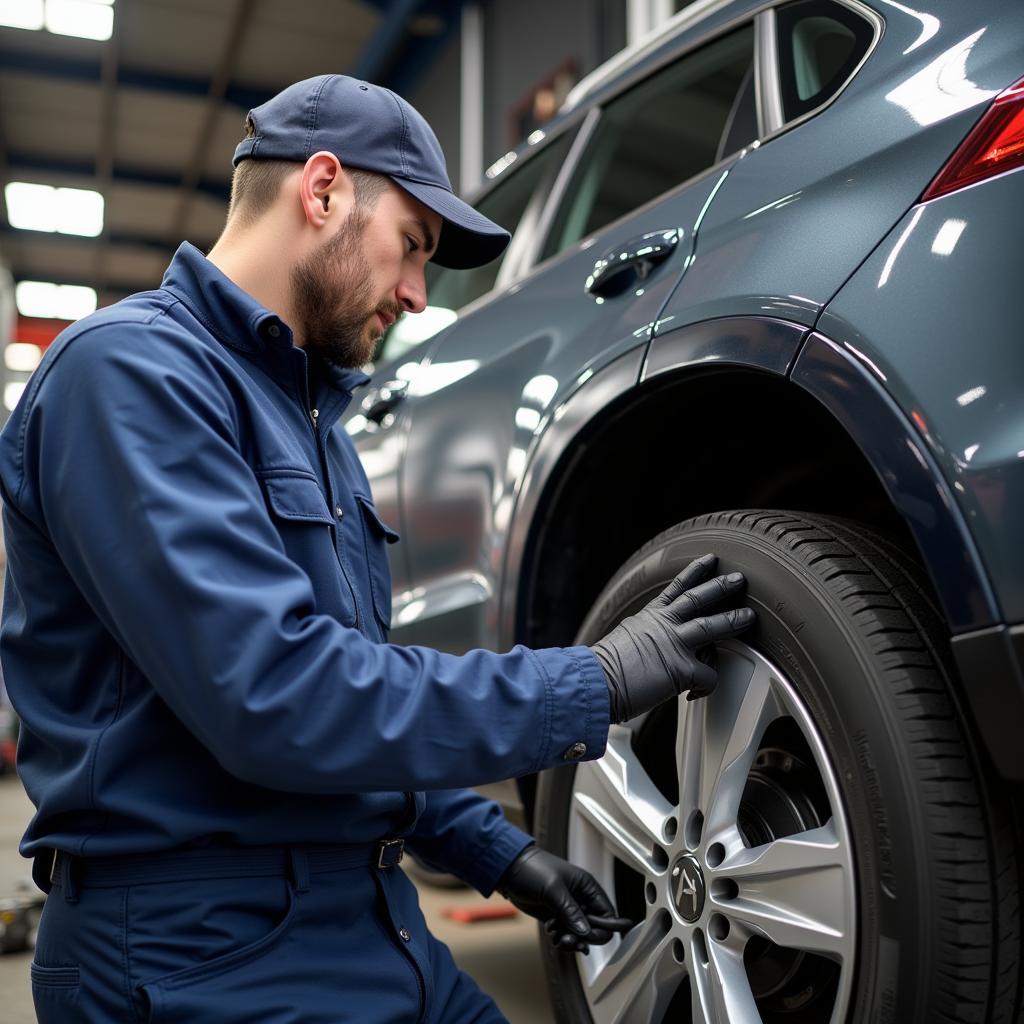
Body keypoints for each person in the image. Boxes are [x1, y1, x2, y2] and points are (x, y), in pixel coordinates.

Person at [0, 75, 753, 1023]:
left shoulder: (319, 428)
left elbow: (362, 699)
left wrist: (495, 849)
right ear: (321, 192)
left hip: (369, 918)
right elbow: (279, 696)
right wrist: (592, 680)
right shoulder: (128, 377)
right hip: (191, 950)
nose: (416, 294)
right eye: (413, 246)